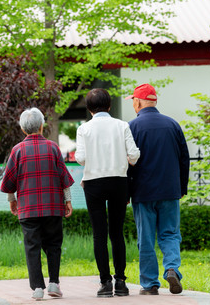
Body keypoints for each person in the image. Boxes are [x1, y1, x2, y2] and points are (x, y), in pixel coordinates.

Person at [0, 108, 74, 300]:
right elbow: (64, 178)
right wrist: (68, 200)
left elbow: (9, 181)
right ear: (42, 126)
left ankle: (37, 288)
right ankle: (54, 284)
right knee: (54, 244)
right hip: (52, 207)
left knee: (32, 246)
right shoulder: (52, 147)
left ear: (23, 129)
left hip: (28, 209)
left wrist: (12, 201)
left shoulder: (17, 150)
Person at [75, 88, 140, 298]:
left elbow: (81, 158)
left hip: (94, 182)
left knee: (99, 234)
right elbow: (134, 155)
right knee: (117, 232)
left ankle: (105, 283)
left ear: (89, 108)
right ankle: (121, 281)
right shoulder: (122, 125)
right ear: (109, 106)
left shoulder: (84, 129)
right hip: (119, 182)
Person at [126, 83, 190, 295]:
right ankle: (172, 268)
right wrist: (182, 187)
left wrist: (127, 191)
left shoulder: (132, 127)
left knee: (146, 238)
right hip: (170, 190)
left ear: (138, 101)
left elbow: (126, 162)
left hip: (143, 192)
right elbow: (184, 159)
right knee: (170, 234)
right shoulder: (173, 125)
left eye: (133, 101)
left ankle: (150, 284)